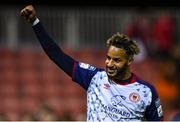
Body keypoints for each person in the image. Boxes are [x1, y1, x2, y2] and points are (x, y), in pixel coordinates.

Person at [20, 5, 164, 121]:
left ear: (129, 60)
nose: (109, 63)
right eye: (108, 58)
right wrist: (35, 23)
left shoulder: (146, 92)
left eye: (117, 60)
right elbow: (56, 54)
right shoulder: (95, 78)